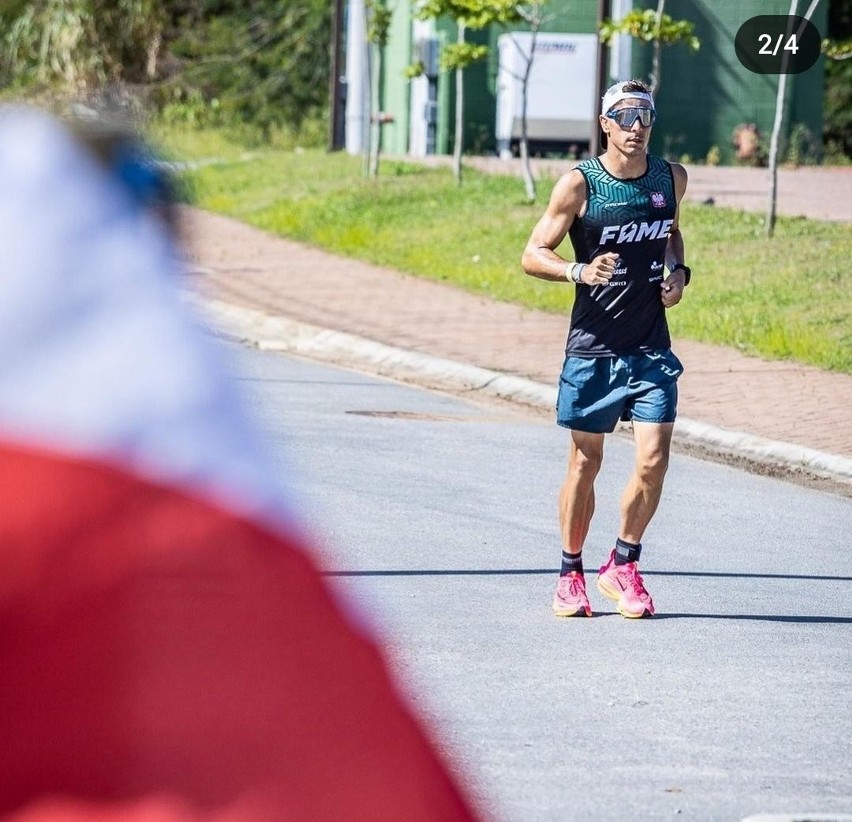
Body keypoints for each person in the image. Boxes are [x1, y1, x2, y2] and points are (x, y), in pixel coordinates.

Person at [520, 79, 690, 619]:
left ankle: (622, 563)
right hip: (593, 349)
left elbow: (671, 235)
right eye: (624, 115)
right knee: (585, 461)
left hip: (650, 347)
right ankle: (570, 572)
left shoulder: (670, 177)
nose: (636, 125)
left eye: (644, 115)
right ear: (605, 123)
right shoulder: (579, 184)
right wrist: (578, 270)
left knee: (654, 458)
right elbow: (532, 253)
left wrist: (678, 273)